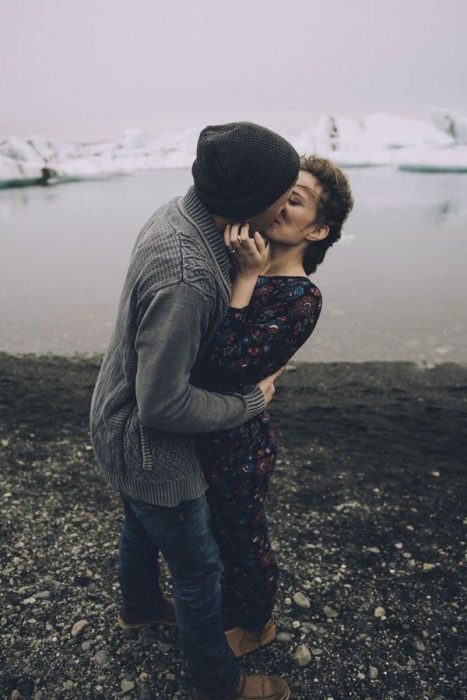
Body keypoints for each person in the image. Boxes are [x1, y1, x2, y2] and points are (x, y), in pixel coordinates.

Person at [90, 122, 301, 700]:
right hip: (150, 444)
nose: (289, 205)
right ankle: (218, 683)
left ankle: (136, 609)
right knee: (199, 568)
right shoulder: (189, 275)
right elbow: (163, 406)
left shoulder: (176, 213)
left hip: (112, 415)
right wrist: (250, 401)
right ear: (254, 203)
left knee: (140, 520)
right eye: (285, 195)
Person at [197, 155, 354, 657]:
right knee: (208, 535)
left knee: (244, 541)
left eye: (296, 199)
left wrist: (246, 278)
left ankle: (257, 625)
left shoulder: (301, 298)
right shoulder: (239, 253)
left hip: (241, 441)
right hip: (202, 423)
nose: (281, 203)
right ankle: (218, 612)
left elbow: (223, 364)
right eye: (283, 191)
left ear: (319, 229)